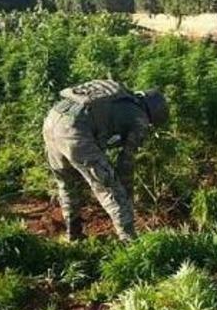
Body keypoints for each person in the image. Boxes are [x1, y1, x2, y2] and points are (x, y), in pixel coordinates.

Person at [42, 79, 167, 241]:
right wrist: (126, 196)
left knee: (67, 183)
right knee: (110, 188)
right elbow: (126, 163)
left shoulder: (121, 97)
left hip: (52, 120)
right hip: (74, 130)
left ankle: (73, 235)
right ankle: (129, 241)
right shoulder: (140, 118)